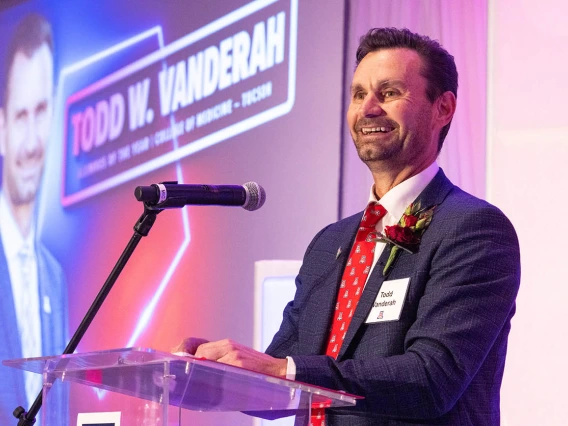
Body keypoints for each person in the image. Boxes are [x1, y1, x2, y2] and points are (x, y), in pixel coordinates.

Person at [174, 28, 520, 425]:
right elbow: (280, 380)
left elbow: (432, 379)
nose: (368, 109)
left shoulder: (473, 229)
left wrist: (282, 370)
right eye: (358, 94)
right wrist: (216, 371)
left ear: (442, 108)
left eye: (388, 93)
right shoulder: (330, 242)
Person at [0, 13, 68, 422]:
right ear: (1, 125)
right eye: (20, 115)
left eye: (40, 111)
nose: (30, 143)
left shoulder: (54, 278)